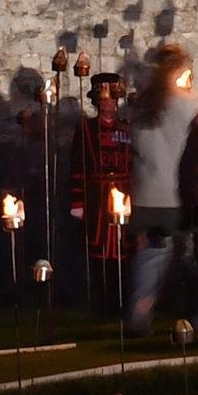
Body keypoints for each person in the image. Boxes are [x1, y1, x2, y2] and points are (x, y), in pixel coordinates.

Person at [123, 45, 198, 335]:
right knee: (188, 259)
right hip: (175, 195)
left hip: (145, 195)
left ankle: (139, 315)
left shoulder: (143, 105)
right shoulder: (189, 103)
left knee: (151, 256)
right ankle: (197, 317)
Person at [69, 71, 133, 310]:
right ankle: (103, 300)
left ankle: (122, 299)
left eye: (112, 99)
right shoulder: (85, 129)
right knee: (99, 251)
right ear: (97, 102)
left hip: (124, 194)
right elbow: (77, 166)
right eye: (104, 99)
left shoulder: (128, 128)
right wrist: (78, 202)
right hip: (97, 197)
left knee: (124, 250)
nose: (108, 103)